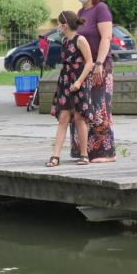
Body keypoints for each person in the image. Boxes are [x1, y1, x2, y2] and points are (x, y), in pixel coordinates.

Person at [74, 0, 116, 163]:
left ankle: (105, 152)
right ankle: (85, 150)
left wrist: (99, 63)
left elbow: (106, 38)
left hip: (99, 66)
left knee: (99, 106)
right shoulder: (81, 12)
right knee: (84, 107)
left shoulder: (101, 9)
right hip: (84, 66)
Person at [46, 11, 94, 167]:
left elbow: (89, 62)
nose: (58, 27)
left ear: (64, 25)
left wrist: (79, 82)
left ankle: (84, 154)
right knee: (63, 119)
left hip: (79, 83)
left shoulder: (80, 40)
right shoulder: (65, 41)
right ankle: (55, 155)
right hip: (66, 82)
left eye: (59, 24)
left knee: (80, 119)